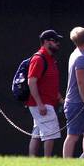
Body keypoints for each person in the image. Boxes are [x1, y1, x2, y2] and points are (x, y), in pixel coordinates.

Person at [25, 29, 63, 157]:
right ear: (46, 42)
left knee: (37, 132)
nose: (58, 43)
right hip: (42, 104)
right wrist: (39, 103)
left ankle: (33, 161)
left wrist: (60, 99)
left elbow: (50, 84)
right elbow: (32, 82)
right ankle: (48, 162)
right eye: (55, 40)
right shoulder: (39, 58)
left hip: (46, 102)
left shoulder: (50, 59)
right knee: (50, 134)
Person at [63, 27, 84, 158]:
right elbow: (81, 83)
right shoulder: (81, 57)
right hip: (78, 103)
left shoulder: (75, 54)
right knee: (73, 135)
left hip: (77, 102)